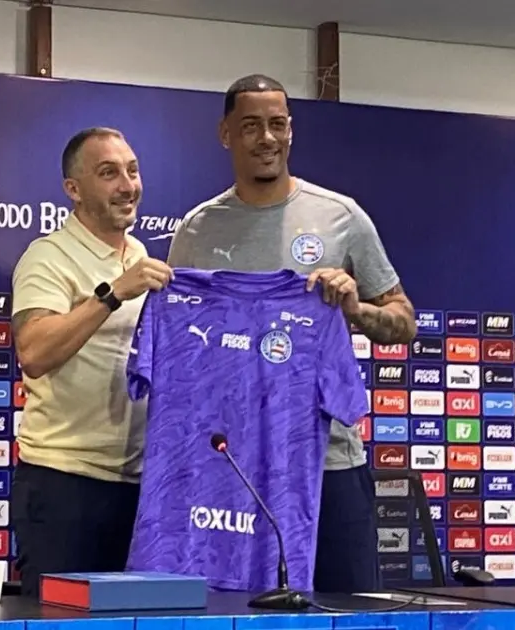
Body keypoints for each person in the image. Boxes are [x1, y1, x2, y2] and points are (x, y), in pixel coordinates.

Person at [165, 75, 417, 593]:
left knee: (353, 615)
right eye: (251, 126)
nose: (267, 138)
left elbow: (404, 321)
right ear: (226, 134)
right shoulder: (196, 229)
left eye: (277, 124)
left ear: (291, 130)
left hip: (329, 464)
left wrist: (356, 310)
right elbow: (183, 345)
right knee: (241, 613)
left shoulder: (341, 216)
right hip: (234, 469)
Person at [9, 127, 174, 596]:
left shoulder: (139, 255)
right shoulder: (47, 257)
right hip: (65, 485)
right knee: (61, 624)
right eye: (108, 173)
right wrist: (112, 294)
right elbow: (34, 352)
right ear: (74, 189)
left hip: (137, 486)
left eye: (132, 171)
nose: (127, 185)